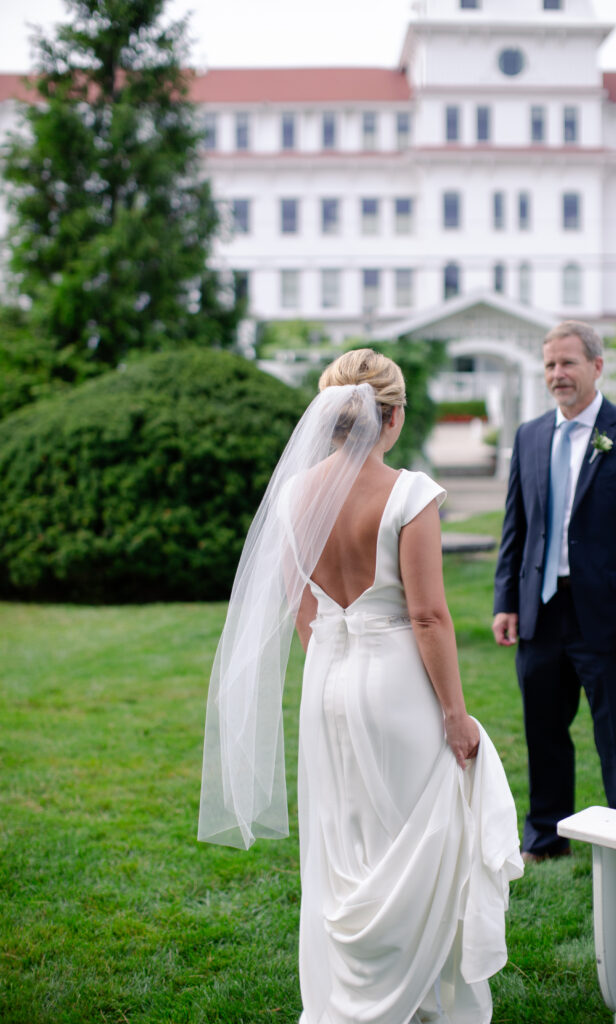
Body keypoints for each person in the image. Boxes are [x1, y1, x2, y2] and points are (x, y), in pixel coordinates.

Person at [199, 349, 523, 1024]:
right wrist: (457, 716)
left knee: (342, 837)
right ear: (392, 416)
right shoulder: (409, 494)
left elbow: (303, 609)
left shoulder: (293, 495)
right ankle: (418, 998)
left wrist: (335, 664)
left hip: (327, 680)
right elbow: (428, 616)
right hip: (397, 685)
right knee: (412, 836)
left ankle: (347, 997)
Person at [492, 321, 616, 864]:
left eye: (568, 363)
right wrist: (507, 599)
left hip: (612, 617)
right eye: (549, 364)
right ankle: (546, 838)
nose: (557, 375)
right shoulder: (529, 435)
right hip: (541, 611)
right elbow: (515, 528)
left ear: (597, 366)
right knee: (543, 731)